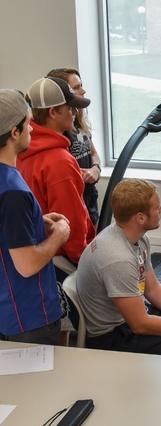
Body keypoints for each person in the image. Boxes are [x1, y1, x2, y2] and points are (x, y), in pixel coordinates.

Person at [76, 179, 161, 357]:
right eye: (157, 208)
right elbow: (140, 324)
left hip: (129, 318)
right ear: (141, 218)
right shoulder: (118, 259)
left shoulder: (138, 238)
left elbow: (153, 288)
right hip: (111, 337)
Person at [0, 89, 70, 344]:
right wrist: (59, 236)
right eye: (27, 124)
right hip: (27, 317)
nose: (32, 129)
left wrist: (35, 222)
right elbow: (27, 265)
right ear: (14, 132)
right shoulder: (12, 192)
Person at [17, 77, 95, 280]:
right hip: (61, 260)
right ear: (53, 112)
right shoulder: (59, 161)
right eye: (70, 107)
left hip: (33, 253)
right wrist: (84, 262)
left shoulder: (19, 149)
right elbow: (70, 220)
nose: (74, 112)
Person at [47, 68, 101, 227]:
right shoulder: (59, 131)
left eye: (81, 85)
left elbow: (93, 152)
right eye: (77, 87)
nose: (83, 91)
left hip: (90, 199)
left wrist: (95, 169)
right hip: (73, 205)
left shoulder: (79, 122)